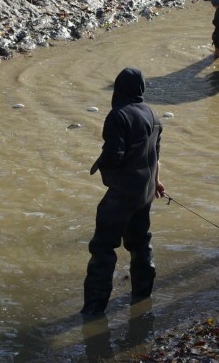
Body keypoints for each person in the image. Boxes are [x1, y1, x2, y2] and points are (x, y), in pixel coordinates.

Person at [81, 67, 166, 317]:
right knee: (141, 243)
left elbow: (114, 156)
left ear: (118, 89)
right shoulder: (153, 115)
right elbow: (156, 156)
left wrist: (102, 165)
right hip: (145, 193)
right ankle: (142, 297)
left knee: (103, 248)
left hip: (123, 194)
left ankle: (94, 310)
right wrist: (158, 183)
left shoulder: (118, 115)